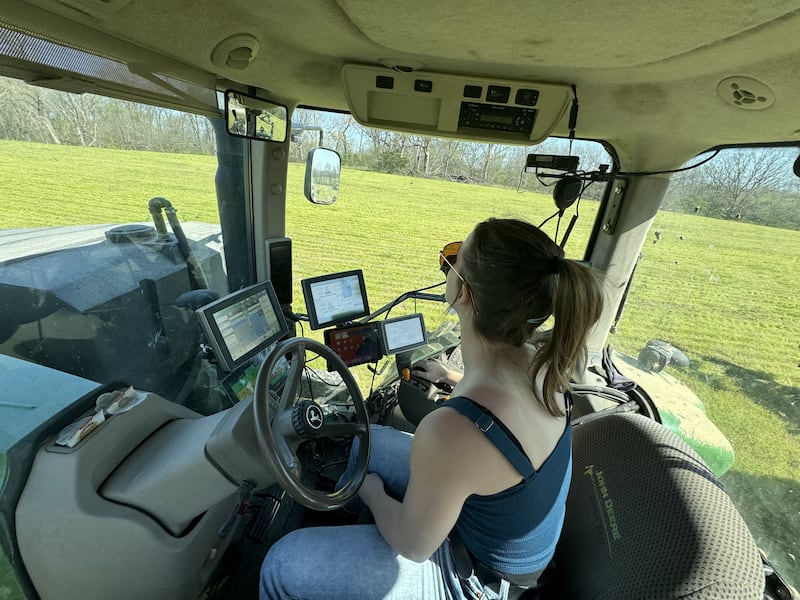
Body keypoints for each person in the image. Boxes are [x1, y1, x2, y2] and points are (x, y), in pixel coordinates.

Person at [260, 218, 604, 600]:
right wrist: (449, 375)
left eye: (453, 258)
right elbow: (500, 409)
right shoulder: (543, 364)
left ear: (464, 295)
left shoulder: (449, 432)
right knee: (368, 443)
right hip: (506, 536)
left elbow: (413, 546)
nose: (447, 264)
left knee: (280, 565)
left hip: (477, 577)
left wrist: (373, 494)